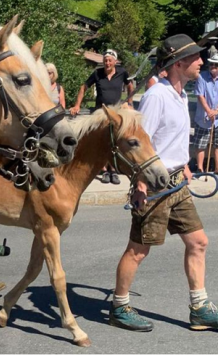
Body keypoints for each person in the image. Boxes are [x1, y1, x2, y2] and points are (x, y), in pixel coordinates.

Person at [109, 34, 218, 332]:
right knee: (138, 250)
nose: (202, 62)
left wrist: (184, 163)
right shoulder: (157, 96)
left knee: (198, 242)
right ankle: (119, 306)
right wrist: (140, 185)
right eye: (196, 58)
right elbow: (141, 143)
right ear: (178, 63)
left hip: (176, 183)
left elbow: (171, 137)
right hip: (155, 183)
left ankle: (200, 308)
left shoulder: (180, 94)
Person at [70, 49, 134, 185]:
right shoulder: (98, 74)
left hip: (116, 114)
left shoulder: (122, 73)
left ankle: (113, 171)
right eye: (105, 60)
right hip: (101, 113)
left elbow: (130, 86)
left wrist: (129, 102)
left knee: (115, 141)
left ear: (115, 62)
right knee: (102, 141)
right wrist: (77, 105)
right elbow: (83, 87)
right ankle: (104, 170)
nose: (107, 62)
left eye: (110, 60)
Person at [194, 53, 218, 173]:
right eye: (211, 64)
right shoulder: (201, 77)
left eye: (216, 64)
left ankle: (217, 169)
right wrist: (209, 111)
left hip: (217, 117)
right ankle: (199, 168)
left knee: (217, 145)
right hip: (203, 117)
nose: (213, 66)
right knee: (200, 145)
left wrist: (216, 111)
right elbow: (200, 96)